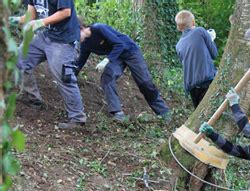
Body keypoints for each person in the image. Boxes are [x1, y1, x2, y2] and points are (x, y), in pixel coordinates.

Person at [12, 0, 87, 129]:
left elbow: (66, 12)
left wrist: (41, 22)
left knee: (63, 76)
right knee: (20, 59)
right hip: (46, 35)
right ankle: (34, 100)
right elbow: (30, 15)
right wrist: (12, 20)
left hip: (64, 40)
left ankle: (77, 118)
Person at [76, 22, 171, 122]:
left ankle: (164, 113)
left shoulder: (99, 28)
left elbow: (119, 44)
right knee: (107, 77)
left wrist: (106, 60)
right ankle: (117, 113)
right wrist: (70, 77)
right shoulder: (85, 44)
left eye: (75, 34)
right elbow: (80, 63)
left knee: (145, 83)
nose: (75, 38)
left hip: (130, 52)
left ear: (81, 28)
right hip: (117, 57)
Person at [175, 10, 218, 108]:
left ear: (178, 27)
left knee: (200, 114)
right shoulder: (200, 31)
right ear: (193, 22)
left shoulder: (178, 45)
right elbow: (214, 54)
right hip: (206, 81)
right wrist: (211, 39)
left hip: (191, 87)